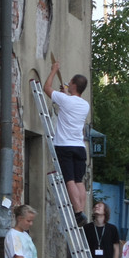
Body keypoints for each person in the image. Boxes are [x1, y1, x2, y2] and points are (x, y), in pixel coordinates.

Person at [43, 61, 90, 226]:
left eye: (70, 82)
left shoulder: (65, 100)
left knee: (69, 180)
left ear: (75, 85)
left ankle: (77, 213)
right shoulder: (85, 105)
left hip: (64, 146)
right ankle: (82, 211)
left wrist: (54, 71)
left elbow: (46, 88)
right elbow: (71, 102)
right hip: (79, 147)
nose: (68, 83)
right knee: (79, 181)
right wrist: (66, 94)